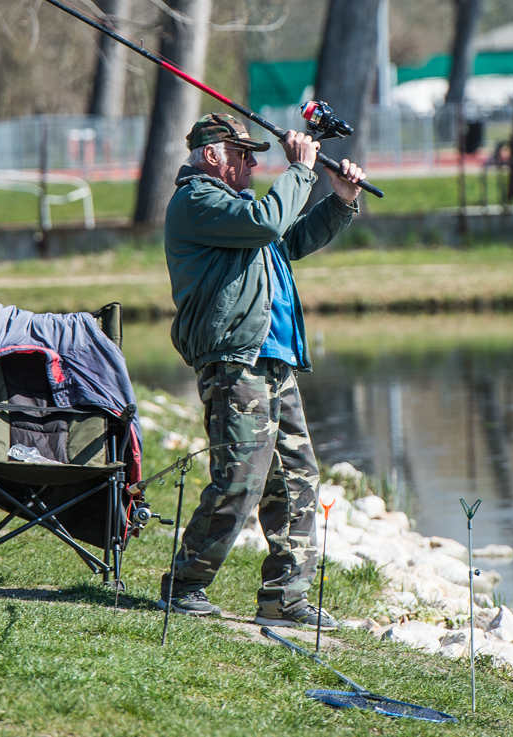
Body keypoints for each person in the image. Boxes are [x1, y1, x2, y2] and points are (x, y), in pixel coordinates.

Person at [157, 112, 368, 628]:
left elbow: (288, 239)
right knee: (241, 480)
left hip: (274, 360)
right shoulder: (197, 202)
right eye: (243, 155)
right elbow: (269, 224)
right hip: (235, 361)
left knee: (296, 480)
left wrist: (339, 198)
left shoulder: (240, 209)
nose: (252, 163)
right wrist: (300, 168)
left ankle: (285, 597)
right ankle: (185, 585)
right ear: (213, 157)